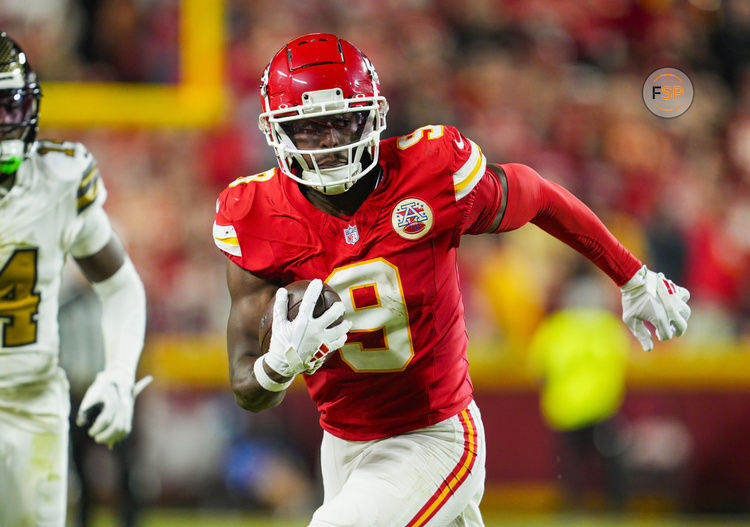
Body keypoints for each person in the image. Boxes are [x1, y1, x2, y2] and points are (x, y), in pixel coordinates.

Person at [212, 33, 691, 526]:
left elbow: (538, 195)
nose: (330, 141)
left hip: (434, 433)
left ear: (372, 115)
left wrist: (631, 276)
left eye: (342, 120)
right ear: (276, 133)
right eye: (309, 127)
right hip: (342, 443)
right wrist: (280, 363)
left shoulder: (431, 171)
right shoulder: (254, 213)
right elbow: (247, 388)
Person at [0, 33, 149, 527]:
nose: (3, 125)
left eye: (10, 107)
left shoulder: (59, 181)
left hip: (30, 400)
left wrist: (118, 375)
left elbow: (120, 284)